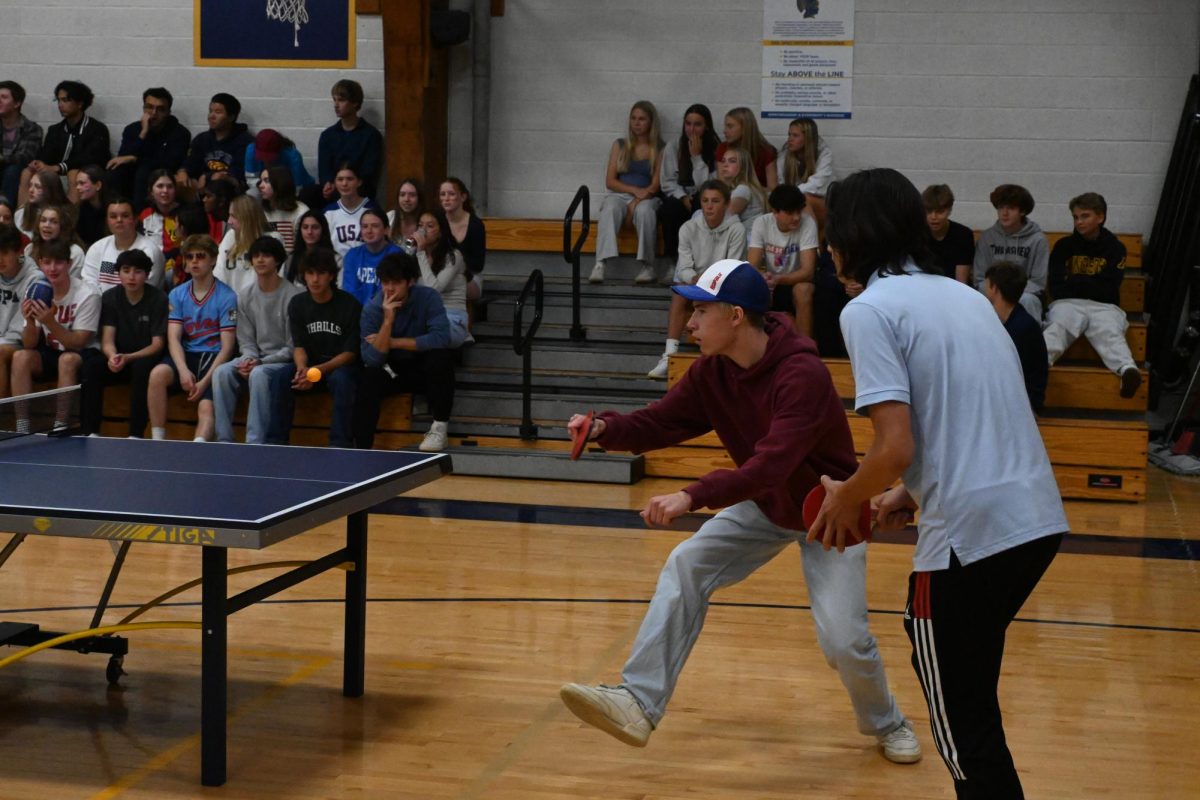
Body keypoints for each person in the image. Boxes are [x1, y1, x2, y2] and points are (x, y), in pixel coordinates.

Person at [559, 259, 921, 764]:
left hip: (829, 511)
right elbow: (661, 421)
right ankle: (639, 700)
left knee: (844, 642)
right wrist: (605, 429)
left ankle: (889, 723)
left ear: (734, 316)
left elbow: (769, 465)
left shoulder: (803, 375)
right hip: (767, 507)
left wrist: (691, 495)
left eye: (699, 311)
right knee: (687, 565)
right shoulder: (713, 372)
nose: (688, 322)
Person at [813, 167, 1067, 800]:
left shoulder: (867, 309)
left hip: (970, 536)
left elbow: (894, 445)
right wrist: (912, 492)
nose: (826, 245)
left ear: (851, 233)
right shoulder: (965, 297)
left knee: (964, 734)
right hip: (1035, 518)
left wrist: (848, 494)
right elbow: (971, 415)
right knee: (974, 702)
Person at [354, 251, 455, 452]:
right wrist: (388, 320)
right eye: (385, 282)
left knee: (441, 357)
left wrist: (391, 342)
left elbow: (442, 338)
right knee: (369, 376)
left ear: (410, 282)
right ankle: (362, 449)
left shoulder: (428, 297)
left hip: (423, 367)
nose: (389, 289)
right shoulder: (373, 309)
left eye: (396, 282)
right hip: (392, 369)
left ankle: (439, 428)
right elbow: (371, 358)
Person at [1044, 192, 1141, 398]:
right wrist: (1091, 284)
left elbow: (1110, 287)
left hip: (1105, 306)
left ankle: (1127, 370)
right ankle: (1036, 364)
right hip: (1067, 303)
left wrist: (1073, 281)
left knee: (1109, 331)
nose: (1079, 222)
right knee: (1058, 326)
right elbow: (1056, 286)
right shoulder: (1063, 246)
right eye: (1075, 217)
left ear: (1100, 217)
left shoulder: (1115, 248)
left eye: (1085, 216)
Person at [647, 180, 746, 379]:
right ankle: (669, 354)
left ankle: (725, 356)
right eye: (705, 201)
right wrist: (694, 277)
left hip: (723, 285)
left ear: (726, 204)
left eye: (715, 201)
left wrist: (710, 278)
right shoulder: (688, 228)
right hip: (696, 283)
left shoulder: (737, 230)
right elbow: (683, 267)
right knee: (679, 291)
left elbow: (732, 266)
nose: (709, 206)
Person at [147, 234, 238, 442]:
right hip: (187, 356)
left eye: (200, 256)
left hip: (214, 359)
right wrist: (182, 370)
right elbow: (173, 338)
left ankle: (198, 447)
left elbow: (227, 347)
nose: (194, 261)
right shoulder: (177, 294)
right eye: (190, 257)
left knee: (206, 408)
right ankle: (157, 439)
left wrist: (205, 382)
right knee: (157, 375)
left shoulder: (227, 296)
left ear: (213, 260)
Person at [212, 236, 302, 444]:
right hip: (256, 358)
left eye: (267, 255)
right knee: (221, 372)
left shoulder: (293, 296)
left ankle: (254, 442)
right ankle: (223, 440)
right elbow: (246, 341)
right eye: (256, 256)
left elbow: (292, 347)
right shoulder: (244, 296)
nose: (260, 260)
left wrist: (260, 363)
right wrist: (249, 359)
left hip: (281, 362)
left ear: (278, 260)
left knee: (258, 374)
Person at [10, 239, 104, 433]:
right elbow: (29, 344)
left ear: (69, 264)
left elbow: (78, 343)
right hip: (52, 351)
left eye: (58, 262)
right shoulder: (35, 291)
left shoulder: (88, 294)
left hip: (84, 354)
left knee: (67, 359)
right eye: (47, 262)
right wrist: (29, 321)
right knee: (20, 357)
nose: (52, 268)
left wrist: (49, 322)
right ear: (40, 264)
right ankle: (22, 425)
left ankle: (61, 424)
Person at [287, 247, 360, 447]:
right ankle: (275, 442)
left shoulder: (349, 305)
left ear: (331, 276)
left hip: (339, 367)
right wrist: (302, 369)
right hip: (312, 367)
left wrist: (316, 372)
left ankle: (339, 445)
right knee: (279, 378)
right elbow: (299, 345)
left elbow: (350, 354)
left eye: (320, 273)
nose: (315, 279)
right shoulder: (297, 303)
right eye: (310, 273)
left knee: (342, 380)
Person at [91, 249, 168, 437]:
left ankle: (135, 433)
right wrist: (112, 356)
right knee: (92, 367)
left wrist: (129, 357)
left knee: (141, 369)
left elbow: (157, 344)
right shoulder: (110, 297)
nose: (131, 277)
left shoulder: (158, 299)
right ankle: (91, 431)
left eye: (138, 271)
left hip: (146, 356)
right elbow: (107, 340)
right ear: (119, 274)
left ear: (147, 275)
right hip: (120, 357)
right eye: (126, 270)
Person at [589, 101, 664, 285]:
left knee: (646, 212)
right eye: (633, 118)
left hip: (648, 196)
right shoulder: (620, 145)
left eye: (642, 119)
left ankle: (648, 266)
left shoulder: (661, 148)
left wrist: (637, 202)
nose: (637, 123)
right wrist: (633, 192)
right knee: (610, 207)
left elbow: (655, 185)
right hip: (622, 194)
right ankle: (600, 263)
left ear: (651, 122)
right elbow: (610, 181)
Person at [19, 80, 110, 207]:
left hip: (83, 172)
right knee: (27, 172)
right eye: (59, 100)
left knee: (73, 173)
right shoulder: (55, 130)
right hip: (58, 170)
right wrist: (39, 163)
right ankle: (23, 217)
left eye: (66, 100)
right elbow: (47, 155)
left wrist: (60, 167)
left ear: (79, 103)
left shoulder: (97, 129)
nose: (60, 105)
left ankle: (69, 218)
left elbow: (90, 158)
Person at [746, 184, 819, 335]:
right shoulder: (761, 223)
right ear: (775, 212)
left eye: (799, 211)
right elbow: (752, 267)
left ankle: (805, 351)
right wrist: (764, 279)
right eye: (790, 212)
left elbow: (808, 272)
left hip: (796, 281)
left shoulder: (808, 223)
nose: (797, 217)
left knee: (803, 290)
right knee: (749, 286)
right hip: (772, 282)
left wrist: (778, 279)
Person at [105, 87, 190, 210]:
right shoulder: (132, 129)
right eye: (149, 107)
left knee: (144, 172)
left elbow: (171, 163)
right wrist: (143, 133)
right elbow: (123, 157)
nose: (154, 113)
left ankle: (140, 218)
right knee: (114, 172)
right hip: (133, 173)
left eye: (160, 109)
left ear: (168, 112)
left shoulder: (180, 133)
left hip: (161, 174)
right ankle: (114, 213)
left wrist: (135, 159)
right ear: (144, 108)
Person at [973, 184, 1049, 320]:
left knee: (1028, 301)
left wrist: (1008, 294)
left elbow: (1038, 282)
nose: (1004, 213)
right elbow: (979, 279)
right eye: (1001, 207)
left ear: (1023, 211)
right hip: (993, 292)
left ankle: (1029, 340)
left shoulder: (1038, 239)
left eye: (1011, 208)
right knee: (978, 299)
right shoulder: (987, 237)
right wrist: (998, 294)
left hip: (1024, 294)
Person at [659, 104, 720, 263]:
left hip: (704, 197)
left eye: (697, 124)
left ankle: (701, 262)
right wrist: (683, 197)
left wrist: (696, 157)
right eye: (688, 124)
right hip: (682, 197)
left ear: (706, 127)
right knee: (670, 209)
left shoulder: (716, 149)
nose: (691, 129)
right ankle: (673, 262)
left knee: (705, 205)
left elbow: (709, 186)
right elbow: (667, 181)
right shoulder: (674, 146)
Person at [985, 262, 1047, 414]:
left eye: (986, 285)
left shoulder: (1023, 327)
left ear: (994, 288)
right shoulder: (1006, 321)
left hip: (1022, 406)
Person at [313, 79, 383, 206]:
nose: (336, 105)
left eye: (341, 100)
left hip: (360, 190)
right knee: (308, 193)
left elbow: (369, 172)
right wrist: (328, 183)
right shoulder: (328, 135)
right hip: (335, 189)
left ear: (355, 103)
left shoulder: (371, 135)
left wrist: (347, 183)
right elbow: (324, 169)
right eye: (334, 100)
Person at [82, 197, 165, 291]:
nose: (119, 220)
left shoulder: (150, 251)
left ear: (136, 219)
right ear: (107, 221)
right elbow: (89, 287)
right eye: (113, 216)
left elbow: (147, 292)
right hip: (101, 304)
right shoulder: (97, 249)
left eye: (125, 216)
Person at [415, 209, 471, 347]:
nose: (423, 230)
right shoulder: (415, 254)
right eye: (420, 226)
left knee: (422, 331)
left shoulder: (453, 256)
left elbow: (433, 289)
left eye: (430, 226)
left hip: (451, 317)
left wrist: (421, 254)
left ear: (441, 231)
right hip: (425, 317)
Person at [178, 93, 252, 192]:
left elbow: (238, 176)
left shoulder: (245, 142)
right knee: (177, 180)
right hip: (202, 187)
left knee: (218, 180)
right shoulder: (202, 139)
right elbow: (190, 163)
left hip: (229, 190)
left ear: (231, 117)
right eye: (210, 111)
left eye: (218, 112)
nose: (211, 116)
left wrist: (210, 176)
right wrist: (183, 171)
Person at [769, 117, 834, 233]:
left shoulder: (824, 154)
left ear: (807, 138)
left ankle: (813, 245)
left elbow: (817, 185)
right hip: (794, 202)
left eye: (795, 135)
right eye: (789, 135)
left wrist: (791, 194)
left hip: (822, 204)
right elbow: (781, 184)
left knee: (805, 199)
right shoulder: (785, 154)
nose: (790, 139)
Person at [0, 223, 36, 398]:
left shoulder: (35, 279)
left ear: (18, 252)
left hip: (19, 342)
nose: (0, 259)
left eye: (5, 253)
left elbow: (29, 339)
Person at [215, 195, 277, 295]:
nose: (229, 221)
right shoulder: (230, 236)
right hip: (231, 304)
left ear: (247, 217)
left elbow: (277, 280)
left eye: (234, 216)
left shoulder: (273, 240)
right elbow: (219, 276)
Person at [342, 207, 402, 307]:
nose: (369, 231)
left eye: (375, 226)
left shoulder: (397, 255)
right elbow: (350, 293)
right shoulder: (352, 255)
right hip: (357, 313)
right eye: (365, 226)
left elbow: (392, 292)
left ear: (386, 230)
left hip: (386, 311)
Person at [0, 80, 44, 206]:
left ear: (17, 103)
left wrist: (2, 158)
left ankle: (4, 212)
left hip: (15, 172)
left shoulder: (32, 128)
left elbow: (24, 157)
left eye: (4, 97)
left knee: (13, 170)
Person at [323, 162, 377, 261]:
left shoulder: (372, 210)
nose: (344, 184)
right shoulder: (328, 212)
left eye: (350, 179)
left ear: (359, 182)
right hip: (337, 271)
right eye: (340, 179)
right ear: (334, 182)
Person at [137, 169, 183, 285]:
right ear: (151, 191)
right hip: (150, 266)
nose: (165, 191)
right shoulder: (145, 214)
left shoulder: (185, 214)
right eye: (160, 186)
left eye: (170, 187)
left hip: (178, 267)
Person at [923, 184, 974, 283]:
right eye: (929, 211)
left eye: (940, 211)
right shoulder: (917, 234)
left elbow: (961, 282)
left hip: (953, 289)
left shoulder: (963, 235)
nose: (933, 217)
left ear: (950, 210)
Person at [714, 107, 776, 187]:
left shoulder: (766, 151)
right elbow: (722, 184)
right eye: (725, 126)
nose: (725, 131)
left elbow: (772, 188)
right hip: (730, 196)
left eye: (730, 126)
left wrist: (748, 192)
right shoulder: (722, 148)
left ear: (745, 128)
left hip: (758, 197)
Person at [24, 204, 86, 280]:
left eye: (54, 222)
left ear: (63, 226)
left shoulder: (75, 252)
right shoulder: (30, 249)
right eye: (43, 220)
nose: (47, 225)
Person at [439, 177, 486, 277]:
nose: (446, 199)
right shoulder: (437, 221)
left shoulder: (475, 225)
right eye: (443, 194)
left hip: (469, 276)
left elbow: (478, 265)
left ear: (463, 197)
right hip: (440, 273)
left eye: (451, 194)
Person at [244, 128, 314, 195]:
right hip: (267, 186)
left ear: (280, 149)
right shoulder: (251, 150)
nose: (266, 160)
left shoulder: (292, 156)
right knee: (252, 194)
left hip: (296, 188)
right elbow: (251, 179)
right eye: (262, 156)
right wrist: (265, 190)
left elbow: (297, 188)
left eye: (269, 156)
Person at [717, 146, 767, 240]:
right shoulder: (739, 187)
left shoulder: (743, 189)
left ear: (743, 167)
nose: (725, 165)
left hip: (749, 240)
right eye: (723, 161)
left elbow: (722, 218)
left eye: (732, 161)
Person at [258, 163, 308, 253]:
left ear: (280, 183)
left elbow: (303, 248)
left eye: (266, 181)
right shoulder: (259, 211)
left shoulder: (301, 212)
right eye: (261, 181)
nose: (260, 186)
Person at [15, 167, 71, 235]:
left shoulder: (64, 216)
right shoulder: (21, 213)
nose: (31, 190)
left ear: (50, 190)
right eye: (30, 185)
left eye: (37, 187)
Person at [285, 209, 334, 285]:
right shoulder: (291, 259)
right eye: (305, 227)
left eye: (315, 227)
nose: (309, 232)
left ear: (323, 230)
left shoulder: (335, 259)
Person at [73, 165, 107, 246]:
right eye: (77, 184)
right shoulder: (81, 208)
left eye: (82, 183)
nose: (77, 187)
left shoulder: (113, 207)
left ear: (98, 185)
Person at [388, 177, 424, 244]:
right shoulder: (390, 217)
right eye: (402, 195)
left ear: (419, 198)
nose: (406, 199)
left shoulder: (426, 222)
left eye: (412, 195)